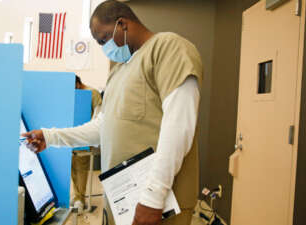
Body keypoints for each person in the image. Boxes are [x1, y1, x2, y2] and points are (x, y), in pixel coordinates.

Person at [23, 1, 203, 225]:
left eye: (103, 39)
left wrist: (153, 198)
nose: (103, 47)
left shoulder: (168, 48)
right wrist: (51, 137)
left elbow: (179, 126)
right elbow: (102, 127)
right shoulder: (119, 71)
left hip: (159, 206)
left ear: (122, 24)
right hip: (125, 202)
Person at [72, 75, 102, 214]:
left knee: (81, 167)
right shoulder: (73, 93)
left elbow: (99, 114)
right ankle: (77, 195)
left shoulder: (92, 93)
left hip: (85, 138)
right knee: (72, 167)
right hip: (73, 136)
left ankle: (81, 198)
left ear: (78, 83)